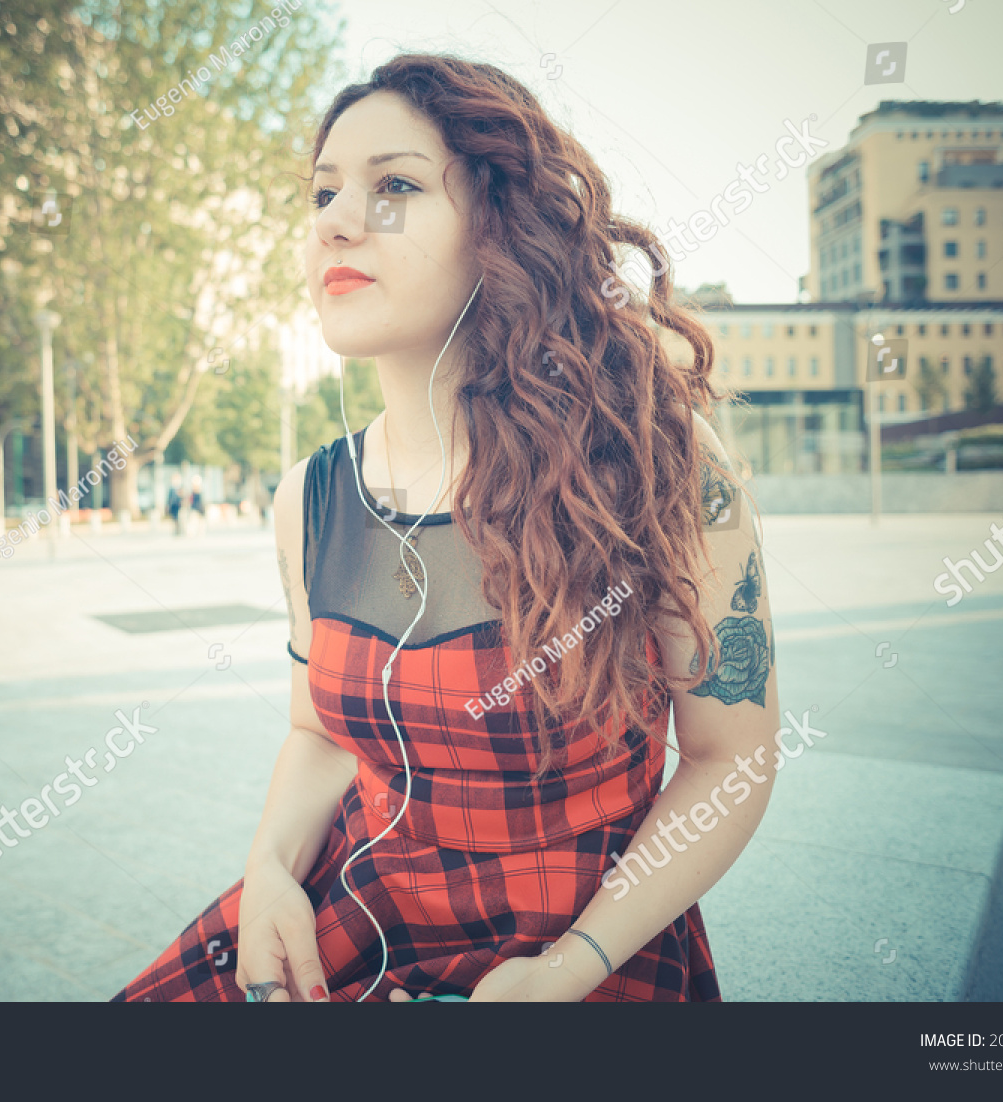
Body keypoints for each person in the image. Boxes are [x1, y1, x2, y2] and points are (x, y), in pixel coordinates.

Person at [113, 53, 778, 1003]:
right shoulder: (310, 497)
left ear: (499, 227)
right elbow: (320, 733)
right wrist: (268, 873)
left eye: (394, 187)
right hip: (353, 918)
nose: (338, 220)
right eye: (323, 193)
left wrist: (566, 972)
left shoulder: (657, 460)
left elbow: (731, 755)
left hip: (586, 949)